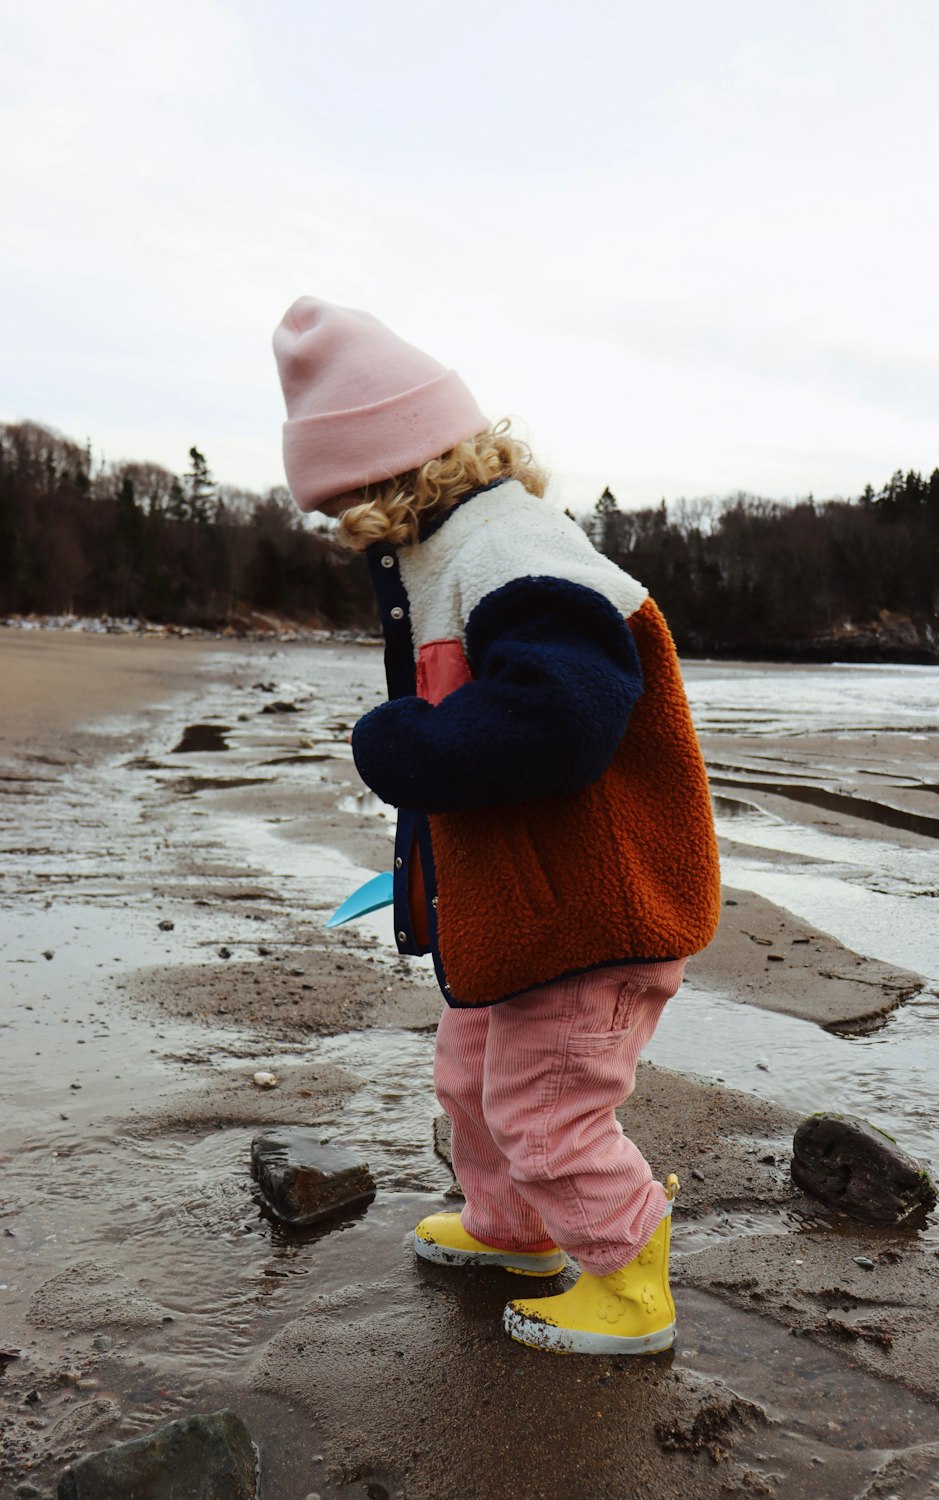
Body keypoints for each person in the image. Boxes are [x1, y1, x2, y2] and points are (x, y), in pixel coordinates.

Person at [273, 296, 720, 1355]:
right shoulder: (458, 552)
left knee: (545, 1105)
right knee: (471, 1079)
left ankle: (626, 1278)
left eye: (345, 507)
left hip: (595, 912)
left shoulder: (512, 549)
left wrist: (403, 749)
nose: (347, 536)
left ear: (388, 477)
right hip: (532, 912)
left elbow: (564, 714)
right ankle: (512, 1229)